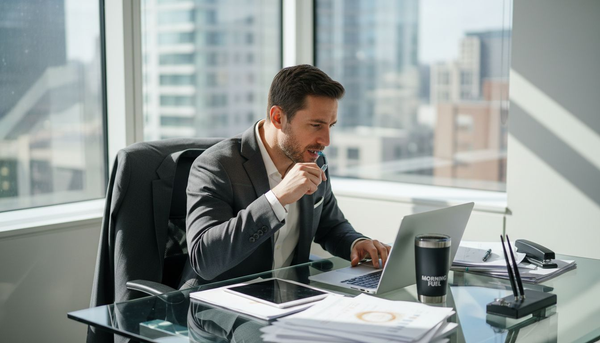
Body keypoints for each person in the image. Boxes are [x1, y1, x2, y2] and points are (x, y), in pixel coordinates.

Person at [183, 64, 390, 285]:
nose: (326, 141)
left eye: (331, 125)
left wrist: (356, 243)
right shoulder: (216, 166)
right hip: (220, 306)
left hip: (289, 298)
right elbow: (204, 260)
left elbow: (331, 226)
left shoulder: (314, 159)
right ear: (278, 117)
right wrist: (277, 198)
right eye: (316, 125)